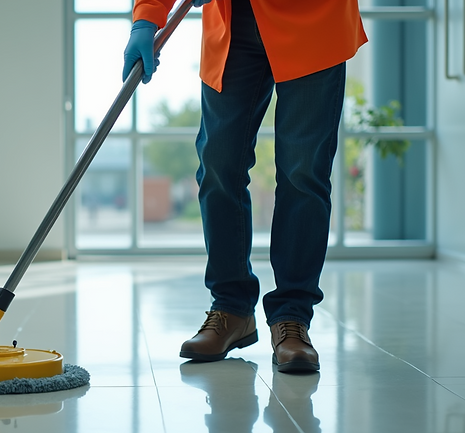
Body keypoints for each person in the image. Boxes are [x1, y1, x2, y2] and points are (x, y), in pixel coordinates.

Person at [123, 0, 367, 372]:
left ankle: (292, 319)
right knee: (218, 165)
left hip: (314, 19)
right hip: (233, 23)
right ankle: (231, 310)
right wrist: (145, 19)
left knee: (303, 172)